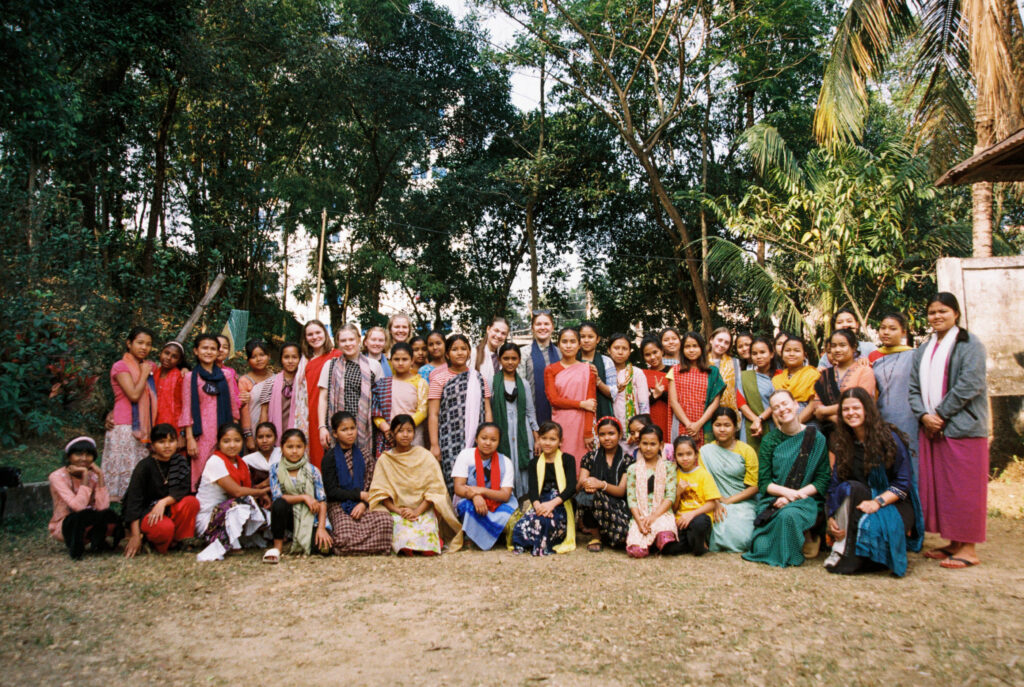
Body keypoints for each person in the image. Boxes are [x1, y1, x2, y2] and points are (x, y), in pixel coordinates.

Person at [909, 292, 989, 569]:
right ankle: (954, 542)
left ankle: (969, 548)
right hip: (932, 428)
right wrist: (924, 415)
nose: (937, 317)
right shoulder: (924, 348)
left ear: (956, 313)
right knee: (944, 488)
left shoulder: (970, 344)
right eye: (932, 312)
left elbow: (971, 383)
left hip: (962, 428)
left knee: (966, 489)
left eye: (943, 311)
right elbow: (914, 389)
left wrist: (940, 414)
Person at [824, 389, 923, 576]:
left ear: (867, 410)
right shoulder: (843, 441)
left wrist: (877, 502)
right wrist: (831, 516)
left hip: (893, 502)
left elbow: (903, 483)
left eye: (856, 408)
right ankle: (842, 550)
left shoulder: (888, 438)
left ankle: (864, 558)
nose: (851, 413)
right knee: (849, 488)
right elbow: (835, 484)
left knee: (872, 528)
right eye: (846, 409)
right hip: (859, 500)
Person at [742, 390, 830, 568]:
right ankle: (800, 538)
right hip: (774, 499)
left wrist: (793, 497)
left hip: (806, 499)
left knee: (788, 516)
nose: (782, 409)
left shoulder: (816, 438)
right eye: (776, 408)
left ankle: (807, 536)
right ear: (773, 413)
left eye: (785, 404)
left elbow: (822, 479)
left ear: (796, 404)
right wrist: (785, 494)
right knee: (760, 546)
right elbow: (764, 482)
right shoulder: (770, 441)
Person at [368, 414, 464, 555]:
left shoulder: (425, 456)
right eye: (400, 431)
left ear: (414, 433)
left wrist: (417, 511)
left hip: (422, 509)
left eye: (409, 430)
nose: (405, 435)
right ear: (392, 434)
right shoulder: (385, 459)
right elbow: (381, 493)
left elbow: (435, 491)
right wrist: (398, 510)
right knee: (403, 536)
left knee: (427, 533)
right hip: (397, 511)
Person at [428, 333, 493, 493]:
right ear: (447, 354)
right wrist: (435, 445)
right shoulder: (439, 379)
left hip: (478, 440)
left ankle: (474, 517)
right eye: (454, 349)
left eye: (463, 348)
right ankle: (454, 517)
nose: (460, 352)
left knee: (477, 481)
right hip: (449, 441)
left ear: (469, 352)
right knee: (453, 482)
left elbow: (487, 410)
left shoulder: (478, 378)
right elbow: (433, 414)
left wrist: (489, 437)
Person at [122, 423, 200, 557]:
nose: (167, 446)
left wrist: (162, 503)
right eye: (162, 442)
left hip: (167, 509)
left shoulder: (179, 462)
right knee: (165, 528)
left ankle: (179, 541)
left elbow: (182, 489)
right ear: (152, 445)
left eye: (171, 441)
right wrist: (135, 535)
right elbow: (133, 502)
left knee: (191, 502)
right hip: (147, 513)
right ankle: (151, 542)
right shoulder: (144, 466)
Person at [322, 411, 393, 555]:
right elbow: (331, 491)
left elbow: (374, 485)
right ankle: (368, 546)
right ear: (335, 434)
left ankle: (354, 548)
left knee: (386, 521)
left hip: (364, 504)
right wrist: (359, 495)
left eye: (352, 428)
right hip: (339, 505)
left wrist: (363, 504)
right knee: (344, 535)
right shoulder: (329, 458)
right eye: (344, 430)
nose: (350, 433)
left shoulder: (365, 455)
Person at [194, 423, 271, 555]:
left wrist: (260, 495)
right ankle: (226, 542)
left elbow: (246, 489)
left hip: (226, 510)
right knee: (241, 503)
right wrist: (261, 492)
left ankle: (238, 538)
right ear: (219, 443)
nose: (232, 445)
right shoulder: (215, 461)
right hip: (209, 518)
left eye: (237, 440)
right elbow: (237, 491)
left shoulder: (241, 463)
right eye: (226, 441)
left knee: (263, 513)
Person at [180, 333, 240, 490]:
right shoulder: (190, 377)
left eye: (213, 348)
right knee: (203, 474)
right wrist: (189, 438)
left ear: (218, 352)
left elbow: (233, 406)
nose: (208, 352)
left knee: (225, 472)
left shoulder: (226, 375)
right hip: (201, 435)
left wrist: (234, 434)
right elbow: (187, 409)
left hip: (224, 432)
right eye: (204, 348)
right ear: (195, 351)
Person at [318, 324, 383, 466]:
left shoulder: (374, 366)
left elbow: (380, 400)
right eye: (343, 341)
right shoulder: (330, 365)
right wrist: (322, 427)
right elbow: (322, 398)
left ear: (359, 339)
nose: (348, 344)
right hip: (336, 427)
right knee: (338, 468)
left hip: (365, 427)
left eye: (351, 339)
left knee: (364, 467)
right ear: (338, 343)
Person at [104, 326, 156, 501]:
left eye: (148, 344)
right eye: (140, 343)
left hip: (146, 426)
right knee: (124, 468)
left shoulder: (151, 367)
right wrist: (143, 374)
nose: (144, 348)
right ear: (129, 343)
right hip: (124, 425)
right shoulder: (121, 366)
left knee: (140, 467)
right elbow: (133, 395)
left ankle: (137, 503)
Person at [48, 436, 122, 559]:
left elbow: (103, 507)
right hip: (65, 525)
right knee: (80, 517)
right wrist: (85, 476)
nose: (84, 458)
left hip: (89, 519)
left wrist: (100, 475)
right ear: (68, 457)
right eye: (78, 454)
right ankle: (77, 549)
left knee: (110, 516)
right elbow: (78, 507)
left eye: (88, 455)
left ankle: (98, 541)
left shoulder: (94, 476)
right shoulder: (56, 477)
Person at [264, 429, 331, 562]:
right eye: (289, 447)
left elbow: (322, 501)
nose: (294, 451)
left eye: (298, 447)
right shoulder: (275, 469)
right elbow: (278, 496)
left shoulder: (313, 471)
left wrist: (321, 528)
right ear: (282, 448)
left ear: (305, 448)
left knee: (324, 549)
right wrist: (304, 497)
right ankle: (278, 547)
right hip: (288, 515)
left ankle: (303, 537)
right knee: (279, 504)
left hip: (310, 516)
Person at [511, 421, 577, 555]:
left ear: (560, 442)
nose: (547, 443)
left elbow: (571, 488)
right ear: (538, 439)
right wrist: (539, 507)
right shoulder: (534, 463)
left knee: (545, 522)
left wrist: (551, 505)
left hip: (560, 503)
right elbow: (533, 490)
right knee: (520, 526)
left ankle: (542, 544)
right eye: (544, 438)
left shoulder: (568, 460)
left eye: (552, 439)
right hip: (540, 503)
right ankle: (527, 543)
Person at [699, 408, 758, 552]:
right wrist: (717, 501)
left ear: (735, 427)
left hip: (742, 502)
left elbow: (754, 486)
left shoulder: (746, 450)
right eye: (718, 425)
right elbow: (703, 482)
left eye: (727, 425)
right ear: (712, 426)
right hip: (713, 501)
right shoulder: (705, 451)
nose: (722, 429)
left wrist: (729, 500)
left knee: (743, 537)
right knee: (718, 522)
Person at [452, 423, 517, 550]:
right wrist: (475, 496)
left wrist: (482, 491)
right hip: (471, 501)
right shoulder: (465, 455)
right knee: (467, 508)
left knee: (510, 517)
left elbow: (505, 495)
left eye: (493, 440)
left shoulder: (506, 462)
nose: (488, 443)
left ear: (498, 442)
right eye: (484, 438)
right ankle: (482, 535)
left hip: (498, 503)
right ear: (476, 439)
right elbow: (458, 488)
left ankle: (488, 534)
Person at [872, 313, 919, 479]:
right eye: (883, 328)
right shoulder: (872, 357)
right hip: (882, 418)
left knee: (911, 460)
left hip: (908, 417)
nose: (886, 332)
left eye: (893, 329)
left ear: (904, 332)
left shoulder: (914, 356)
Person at [544, 327, 598, 473]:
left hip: (581, 424)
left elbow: (591, 405)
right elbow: (553, 400)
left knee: (581, 462)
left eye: (573, 341)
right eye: (564, 341)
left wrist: (588, 433)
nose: (569, 345)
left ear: (579, 345)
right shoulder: (551, 369)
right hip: (561, 423)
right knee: (561, 461)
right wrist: (581, 404)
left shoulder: (588, 370)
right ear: (558, 345)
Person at [577, 417, 633, 551]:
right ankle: (596, 535)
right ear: (598, 436)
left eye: (611, 434)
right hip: (594, 504)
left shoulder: (627, 460)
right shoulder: (590, 458)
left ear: (619, 435)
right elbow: (578, 486)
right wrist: (587, 483)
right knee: (587, 495)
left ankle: (610, 534)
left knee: (621, 540)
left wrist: (601, 484)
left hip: (618, 506)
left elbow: (621, 491)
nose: (607, 438)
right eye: (602, 434)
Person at [491, 342, 540, 497]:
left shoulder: (523, 384)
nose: (510, 362)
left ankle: (523, 498)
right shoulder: (492, 382)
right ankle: (506, 497)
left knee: (521, 464)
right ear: (499, 360)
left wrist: (536, 438)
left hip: (522, 430)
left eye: (514, 358)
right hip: (501, 429)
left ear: (519, 360)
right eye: (506, 358)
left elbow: (530, 411)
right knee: (504, 461)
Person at [625, 424, 678, 558]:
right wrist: (639, 521)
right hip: (640, 515)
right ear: (639, 444)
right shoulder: (633, 469)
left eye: (653, 444)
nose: (648, 448)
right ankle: (648, 541)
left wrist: (653, 517)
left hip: (661, 513)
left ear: (661, 445)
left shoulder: (669, 467)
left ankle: (657, 540)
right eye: (645, 443)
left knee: (665, 539)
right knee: (636, 551)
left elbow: (670, 497)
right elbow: (631, 499)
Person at [813, 329, 877, 438]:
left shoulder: (864, 371)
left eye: (842, 345)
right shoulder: (824, 375)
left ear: (854, 347)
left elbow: (862, 404)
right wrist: (838, 419)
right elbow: (817, 411)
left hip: (859, 434)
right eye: (833, 346)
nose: (837, 350)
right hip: (829, 435)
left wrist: (826, 411)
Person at [666, 331, 725, 448]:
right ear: (682, 350)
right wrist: (690, 426)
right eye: (687, 347)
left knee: (704, 457)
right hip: (681, 423)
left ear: (702, 348)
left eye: (695, 346)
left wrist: (698, 424)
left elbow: (715, 402)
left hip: (705, 423)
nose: (691, 350)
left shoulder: (712, 371)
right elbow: (673, 402)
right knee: (683, 456)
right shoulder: (675, 370)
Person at [664, 435, 718, 556]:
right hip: (680, 520)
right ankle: (692, 543)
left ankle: (699, 544)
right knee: (668, 549)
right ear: (675, 457)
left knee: (699, 524)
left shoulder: (703, 475)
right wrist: (678, 493)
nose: (685, 458)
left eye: (689, 454)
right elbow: (673, 508)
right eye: (680, 455)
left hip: (699, 516)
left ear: (696, 454)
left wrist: (691, 514)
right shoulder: (675, 475)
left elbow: (712, 504)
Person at [372, 342, 429, 452]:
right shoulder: (382, 384)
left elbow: (423, 411)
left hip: (413, 435)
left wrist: (402, 429)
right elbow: (376, 412)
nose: (400, 363)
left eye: (405, 359)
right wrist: (388, 429)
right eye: (396, 359)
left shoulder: (420, 383)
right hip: (388, 436)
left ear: (412, 360)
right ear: (391, 361)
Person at [299, 319, 340, 466]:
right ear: (305, 338)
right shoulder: (303, 361)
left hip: (334, 409)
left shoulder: (337, 355)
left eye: (318, 332)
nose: (315, 337)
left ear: (325, 333)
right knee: (317, 453)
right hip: (312, 411)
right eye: (310, 334)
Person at [248, 342, 303, 441]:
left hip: (299, 432)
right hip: (275, 434)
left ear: (300, 359)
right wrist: (262, 437)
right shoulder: (270, 383)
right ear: (281, 359)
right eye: (286, 357)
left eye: (294, 357)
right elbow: (264, 412)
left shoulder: (304, 383)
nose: (290, 361)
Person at [518, 310, 560, 424]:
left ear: (552, 327)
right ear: (532, 328)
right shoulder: (523, 353)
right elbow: (520, 387)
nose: (542, 327)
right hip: (531, 414)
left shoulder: (561, 353)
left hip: (558, 414)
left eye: (546, 324)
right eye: (538, 324)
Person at [737, 336, 775, 453]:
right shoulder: (743, 376)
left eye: (762, 352)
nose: (758, 356)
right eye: (754, 353)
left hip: (775, 424)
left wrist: (760, 418)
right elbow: (741, 402)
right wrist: (756, 420)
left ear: (771, 354)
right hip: (750, 425)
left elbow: (778, 402)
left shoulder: (780, 376)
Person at [771, 336, 819, 424]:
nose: (791, 354)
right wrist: (780, 428)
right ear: (782, 355)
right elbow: (774, 407)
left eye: (796, 350)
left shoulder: (813, 374)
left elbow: (813, 404)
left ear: (804, 355)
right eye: (787, 350)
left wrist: (795, 424)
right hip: (782, 424)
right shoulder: (776, 379)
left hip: (807, 423)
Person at [607, 333, 649, 431]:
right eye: (616, 348)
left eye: (625, 349)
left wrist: (642, 429)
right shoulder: (604, 373)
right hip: (609, 430)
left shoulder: (636, 373)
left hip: (633, 430)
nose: (620, 352)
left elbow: (644, 405)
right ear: (609, 350)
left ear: (630, 351)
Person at [237, 340, 273, 452]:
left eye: (262, 355)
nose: (259, 359)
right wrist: (248, 436)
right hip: (253, 428)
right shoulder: (245, 381)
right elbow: (244, 410)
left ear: (269, 356)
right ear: (248, 361)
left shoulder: (278, 379)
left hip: (274, 426)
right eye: (253, 357)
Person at [578, 322, 618, 422]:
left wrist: (598, 381)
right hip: (578, 412)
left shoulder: (606, 362)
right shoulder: (571, 361)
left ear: (598, 339)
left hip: (601, 412)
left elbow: (613, 393)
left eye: (590, 337)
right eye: (582, 336)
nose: (586, 340)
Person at [152, 341, 187, 444]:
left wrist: (182, 434)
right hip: (154, 425)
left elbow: (186, 407)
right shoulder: (153, 374)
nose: (168, 358)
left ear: (179, 360)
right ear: (161, 353)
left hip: (174, 427)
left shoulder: (180, 377)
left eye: (174, 356)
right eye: (166, 353)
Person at [640, 337, 671, 441]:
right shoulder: (642, 374)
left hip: (670, 418)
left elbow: (679, 400)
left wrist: (661, 394)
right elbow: (640, 404)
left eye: (655, 352)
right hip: (650, 420)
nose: (652, 357)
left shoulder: (673, 371)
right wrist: (654, 396)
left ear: (662, 351)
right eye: (647, 355)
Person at [708, 327, 743, 413]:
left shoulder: (735, 363)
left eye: (726, 343)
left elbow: (738, 389)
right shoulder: (701, 361)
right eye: (719, 340)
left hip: (728, 413)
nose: (722, 345)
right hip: (704, 411)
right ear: (711, 340)